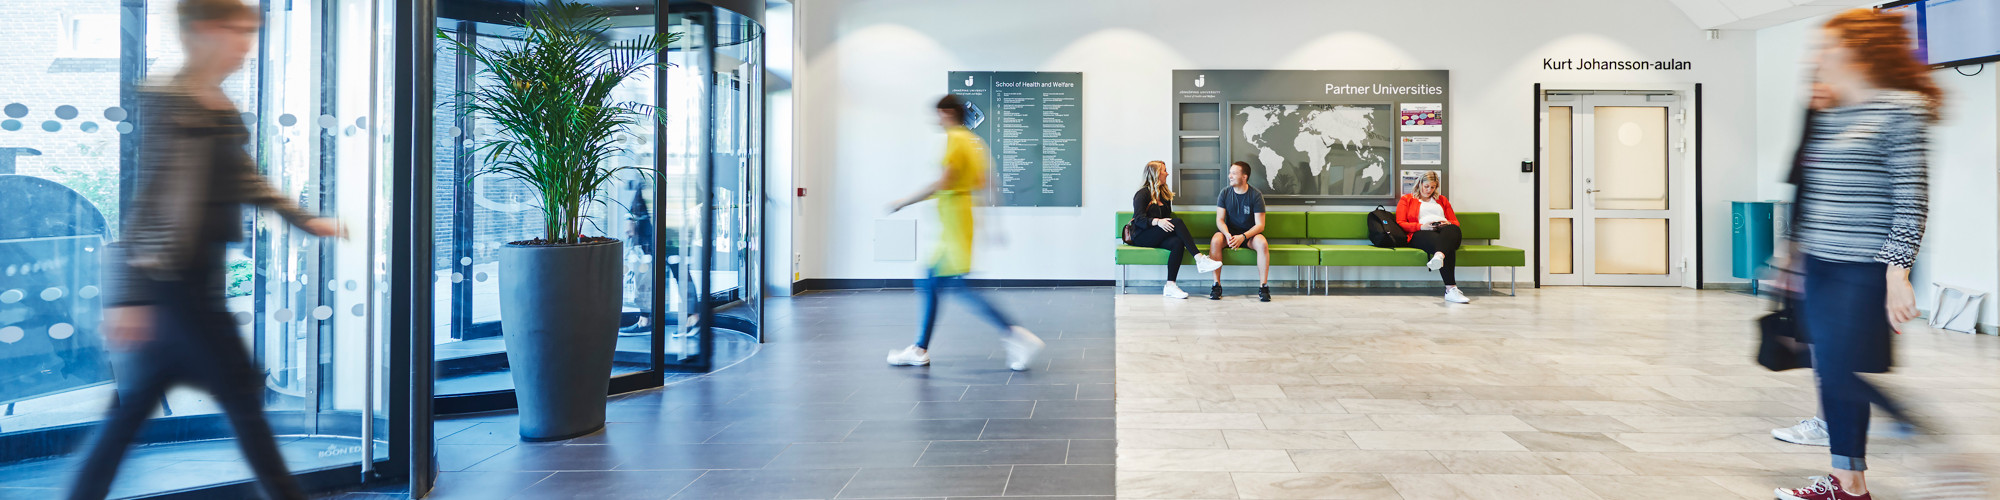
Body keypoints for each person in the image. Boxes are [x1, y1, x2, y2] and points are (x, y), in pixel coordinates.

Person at [69, 1, 344, 499]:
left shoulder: (216, 105)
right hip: (174, 286)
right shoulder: (170, 102)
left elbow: (245, 179)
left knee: (145, 409)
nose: (244, 45)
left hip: (198, 281)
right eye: (235, 32)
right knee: (239, 402)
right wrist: (129, 297)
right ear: (199, 33)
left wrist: (303, 218)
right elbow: (148, 199)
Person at [1774, 9, 1941, 500]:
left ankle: (1925, 436)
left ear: (1859, 51)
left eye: (1829, 47)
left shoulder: (1901, 109)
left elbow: (1911, 199)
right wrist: (1793, 255)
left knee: (1841, 369)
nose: (1818, 56)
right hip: (1820, 262)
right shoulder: (1831, 109)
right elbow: (1813, 188)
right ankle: (1848, 484)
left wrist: (1897, 274)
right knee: (1829, 371)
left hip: (1865, 267)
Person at [884, 95, 1045, 370]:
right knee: (932, 281)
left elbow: (943, 182)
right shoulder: (973, 142)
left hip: (955, 222)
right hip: (961, 220)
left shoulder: (955, 140)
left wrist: (905, 201)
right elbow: (988, 182)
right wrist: (994, 225)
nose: (936, 120)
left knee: (956, 285)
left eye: (938, 115)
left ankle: (1015, 334)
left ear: (947, 113)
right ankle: (920, 348)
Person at [1130, 160, 1223, 299]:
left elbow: (1167, 218)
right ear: (1156, 174)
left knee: (1177, 243)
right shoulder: (1142, 194)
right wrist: (1157, 222)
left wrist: (1164, 224)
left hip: (1156, 235)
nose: (1167, 173)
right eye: (1164, 170)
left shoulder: (1164, 195)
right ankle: (1199, 259)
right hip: (1141, 235)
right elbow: (1139, 220)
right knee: (1178, 222)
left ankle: (1170, 285)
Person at [1396, 171, 1468, 304]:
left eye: (1433, 187)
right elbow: (1401, 223)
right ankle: (1451, 290)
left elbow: (1455, 222)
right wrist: (1421, 226)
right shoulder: (1407, 199)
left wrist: (1447, 223)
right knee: (1447, 246)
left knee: (1453, 230)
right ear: (1420, 184)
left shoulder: (1442, 200)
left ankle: (1439, 256)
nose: (1429, 190)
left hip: (1445, 231)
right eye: (1426, 186)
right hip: (1422, 233)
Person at [1207, 161, 1270, 301]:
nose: (1230, 176)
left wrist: (1243, 236)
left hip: (1249, 236)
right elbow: (1220, 220)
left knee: (1262, 243)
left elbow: (1260, 225)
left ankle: (1263, 287)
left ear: (1244, 177)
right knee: (1216, 240)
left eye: (1234, 173)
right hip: (1229, 235)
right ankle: (1216, 285)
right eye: (1230, 173)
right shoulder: (1225, 193)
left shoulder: (1255, 195)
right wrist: (1227, 234)